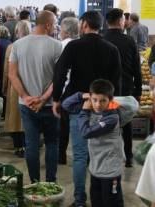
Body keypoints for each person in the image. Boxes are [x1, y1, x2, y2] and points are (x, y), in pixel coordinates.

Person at [52, 11, 122, 207]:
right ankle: (100, 198)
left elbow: (60, 73)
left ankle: (80, 200)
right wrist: (112, 107)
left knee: (80, 156)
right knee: (102, 155)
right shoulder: (111, 48)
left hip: (80, 107)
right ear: (100, 26)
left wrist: (57, 98)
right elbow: (117, 81)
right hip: (104, 109)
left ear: (83, 25)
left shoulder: (74, 46)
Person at [8, 11, 62, 183]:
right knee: (52, 144)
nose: (55, 27)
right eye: (54, 24)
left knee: (31, 145)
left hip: (26, 105)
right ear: (47, 25)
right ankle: (51, 182)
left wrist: (25, 97)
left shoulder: (17, 45)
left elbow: (12, 75)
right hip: (49, 105)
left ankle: (35, 183)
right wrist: (44, 99)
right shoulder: (57, 46)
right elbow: (58, 79)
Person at [62, 79, 124, 207]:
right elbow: (66, 105)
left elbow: (86, 132)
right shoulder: (91, 109)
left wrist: (84, 111)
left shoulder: (112, 117)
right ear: (90, 97)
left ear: (110, 100)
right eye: (94, 100)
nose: (98, 104)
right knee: (97, 202)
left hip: (110, 171)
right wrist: (81, 95)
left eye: (103, 101)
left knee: (111, 203)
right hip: (95, 170)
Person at [104, 8, 142, 168]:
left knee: (106, 124)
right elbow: (137, 69)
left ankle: (107, 157)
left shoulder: (102, 39)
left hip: (106, 93)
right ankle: (129, 157)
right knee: (126, 124)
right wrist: (138, 92)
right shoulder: (129, 41)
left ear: (106, 22)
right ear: (121, 21)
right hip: (126, 91)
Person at [2, 23, 30, 157]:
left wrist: (4, 86)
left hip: (15, 86)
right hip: (31, 85)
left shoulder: (12, 47)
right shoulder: (35, 46)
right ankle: (29, 145)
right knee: (28, 118)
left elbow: (7, 70)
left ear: (17, 31)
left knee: (14, 117)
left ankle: (18, 146)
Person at [58, 17, 79, 165]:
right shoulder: (82, 45)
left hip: (65, 91)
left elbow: (59, 72)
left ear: (65, 31)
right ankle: (81, 156)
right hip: (80, 90)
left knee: (63, 126)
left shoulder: (61, 45)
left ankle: (61, 156)